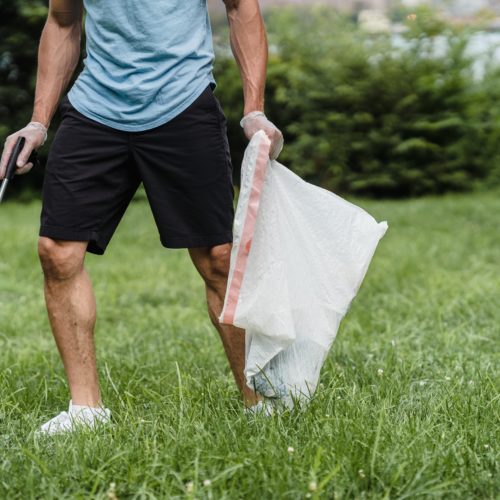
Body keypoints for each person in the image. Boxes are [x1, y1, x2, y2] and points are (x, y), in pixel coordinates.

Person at [0, 0, 283, 435]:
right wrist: (38, 123)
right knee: (57, 251)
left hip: (183, 103)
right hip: (96, 109)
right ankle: (86, 410)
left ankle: (258, 401)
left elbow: (241, 7)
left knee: (218, 258)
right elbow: (62, 21)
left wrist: (254, 110)